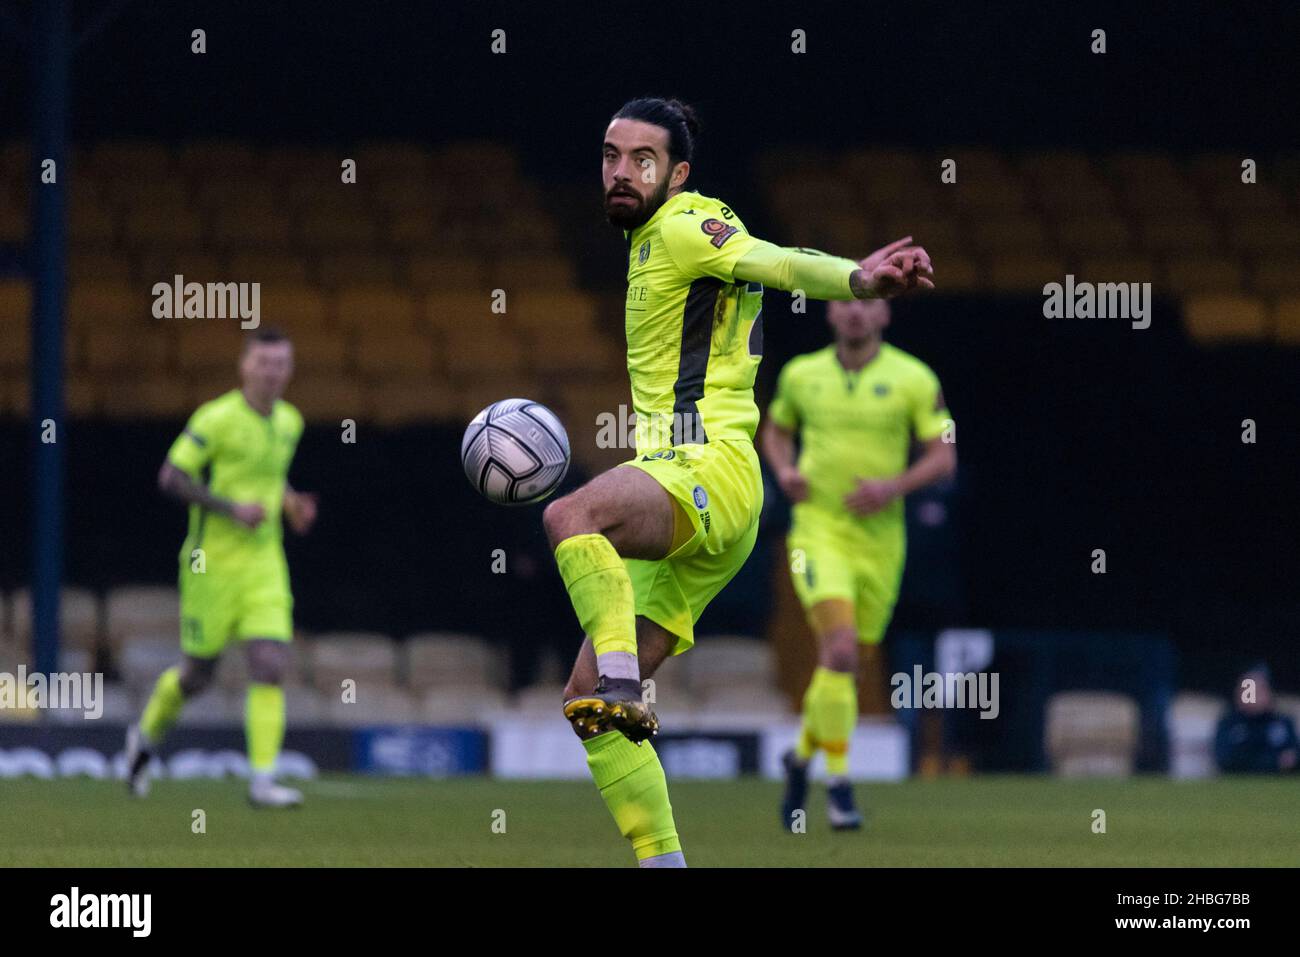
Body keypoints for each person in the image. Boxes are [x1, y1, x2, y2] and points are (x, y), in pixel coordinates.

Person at [543, 96, 934, 866]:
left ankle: (624, 679)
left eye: (641, 159)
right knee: (583, 702)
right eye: (610, 156)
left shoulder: (690, 222)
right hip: (701, 492)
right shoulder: (649, 239)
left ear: (677, 171)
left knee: (569, 518)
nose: (621, 172)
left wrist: (858, 279)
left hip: (709, 466)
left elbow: (777, 261)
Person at [762, 297, 956, 829]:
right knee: (841, 649)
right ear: (829, 314)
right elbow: (775, 432)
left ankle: (800, 757)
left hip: (881, 542)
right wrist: (783, 472)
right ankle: (840, 787)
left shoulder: (913, 377)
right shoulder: (802, 375)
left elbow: (943, 454)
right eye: (844, 302)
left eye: (866, 304)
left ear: (884, 316)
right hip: (817, 532)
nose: (854, 313)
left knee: (844, 663)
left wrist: (893, 486)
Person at [125, 328, 318, 808]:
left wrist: (291, 504)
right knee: (197, 675)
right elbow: (171, 478)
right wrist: (231, 508)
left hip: (264, 563)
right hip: (210, 563)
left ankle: (262, 782)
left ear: (290, 371)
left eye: (281, 364)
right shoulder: (216, 418)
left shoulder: (290, 421)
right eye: (264, 363)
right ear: (244, 366)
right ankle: (143, 742)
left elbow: (270, 479)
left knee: (270, 664)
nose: (273, 373)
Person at [1214, 663, 1299, 774]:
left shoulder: (1282, 722)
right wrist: (1274, 762)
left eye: (1257, 691)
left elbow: (1293, 758)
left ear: (1269, 692)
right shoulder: (1229, 723)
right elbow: (1225, 760)